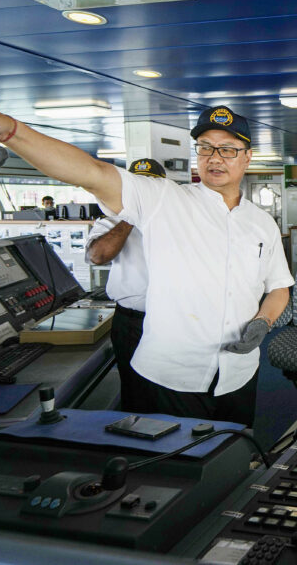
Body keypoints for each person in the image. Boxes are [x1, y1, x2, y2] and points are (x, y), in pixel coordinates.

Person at [0, 79, 293, 426]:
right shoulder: (163, 198)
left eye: (228, 149)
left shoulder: (261, 224)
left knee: (235, 457)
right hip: (169, 374)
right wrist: (12, 132)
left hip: (239, 372)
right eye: (206, 148)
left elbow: (278, 287)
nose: (215, 158)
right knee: (166, 475)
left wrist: (263, 322)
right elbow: (91, 172)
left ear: (246, 158)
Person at [86, 158, 167, 412]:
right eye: (138, 185)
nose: (144, 191)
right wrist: (131, 215)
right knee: (135, 391)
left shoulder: (176, 220)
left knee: (174, 390)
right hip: (132, 321)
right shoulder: (111, 222)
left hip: (173, 319)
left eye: (150, 185)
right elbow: (98, 256)